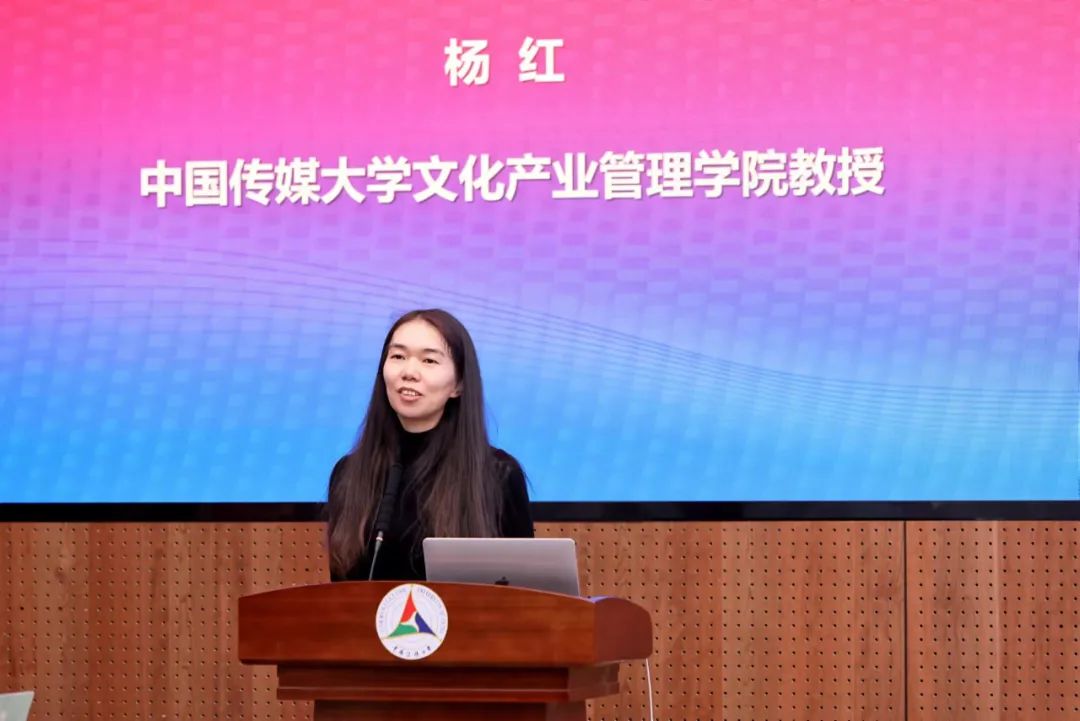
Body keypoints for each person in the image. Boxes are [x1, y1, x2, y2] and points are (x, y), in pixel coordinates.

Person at [324, 308, 534, 581]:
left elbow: (523, 594)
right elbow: (342, 587)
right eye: (398, 356)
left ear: (458, 384)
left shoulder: (498, 475)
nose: (409, 372)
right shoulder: (349, 474)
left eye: (429, 360)